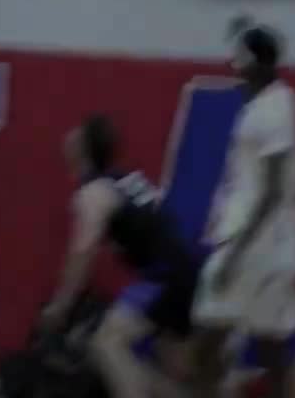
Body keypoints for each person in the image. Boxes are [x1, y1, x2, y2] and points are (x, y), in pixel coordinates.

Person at [41, 115, 203, 398]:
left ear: (82, 150)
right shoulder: (126, 179)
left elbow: (83, 252)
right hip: (187, 271)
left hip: (166, 277)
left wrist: (60, 306)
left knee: (107, 342)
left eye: (73, 137)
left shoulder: (94, 193)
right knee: (171, 365)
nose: (66, 141)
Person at [190, 24, 295, 398]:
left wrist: (235, 253)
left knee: (208, 343)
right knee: (270, 350)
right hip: (264, 243)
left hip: (257, 248)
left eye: (240, 58)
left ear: (258, 62)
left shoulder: (275, 108)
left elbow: (273, 192)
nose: (234, 64)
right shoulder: (271, 103)